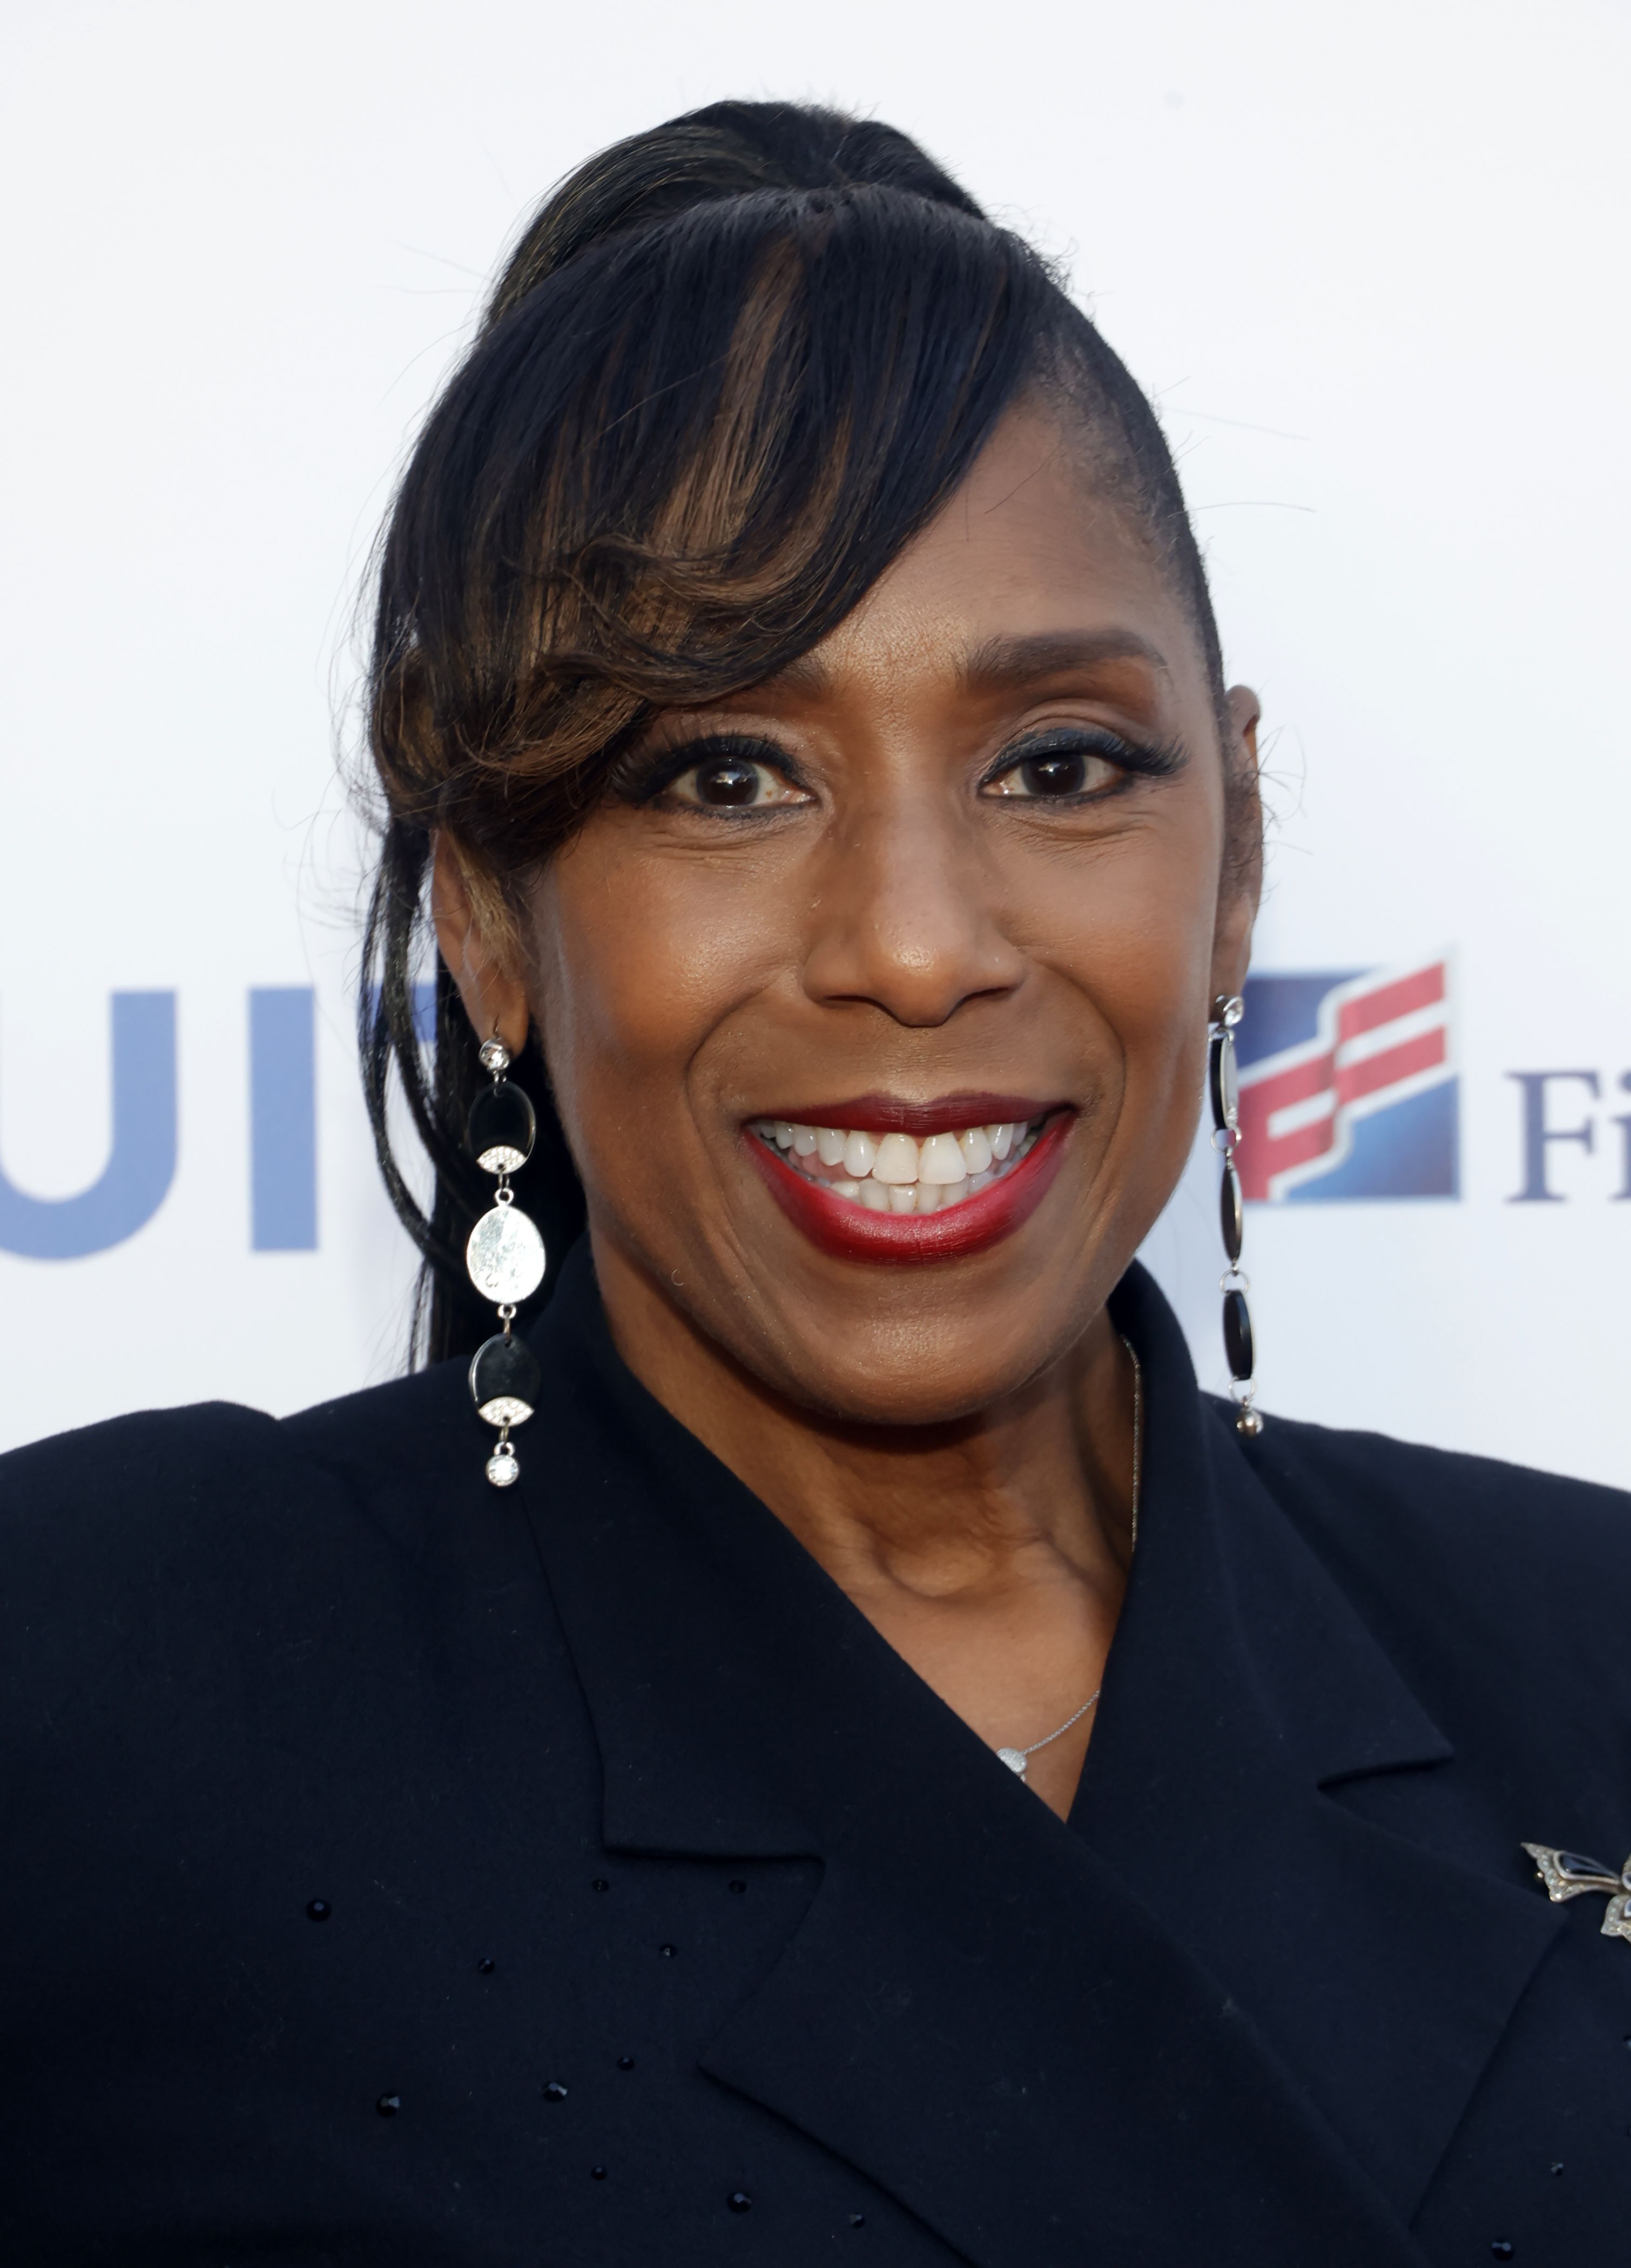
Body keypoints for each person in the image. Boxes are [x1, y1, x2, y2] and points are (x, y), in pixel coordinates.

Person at [1, 99, 1627, 2268]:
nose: (914, 942)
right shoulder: (102, 1692)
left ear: (1228, 849)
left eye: (1056, 764)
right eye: (725, 774)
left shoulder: (1579, 1651)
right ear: (489, 905)